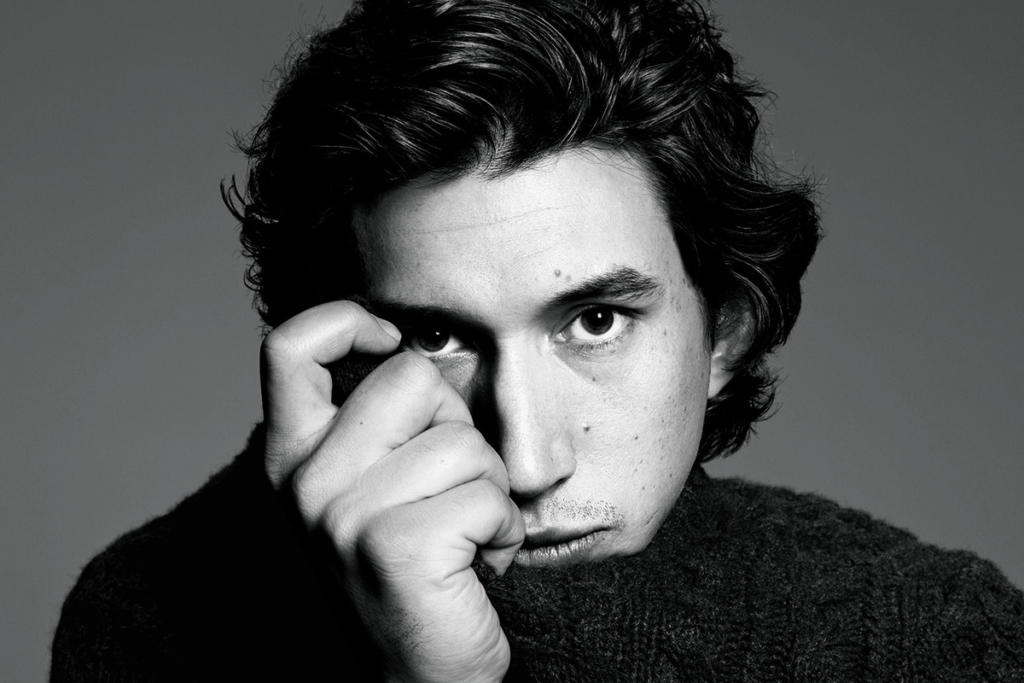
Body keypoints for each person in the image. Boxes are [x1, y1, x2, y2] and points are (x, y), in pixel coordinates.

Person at [51, 0, 1024, 680]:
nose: (525, 460)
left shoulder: (921, 635)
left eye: (595, 321)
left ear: (724, 334)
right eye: (438, 335)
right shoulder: (158, 613)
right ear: (339, 353)